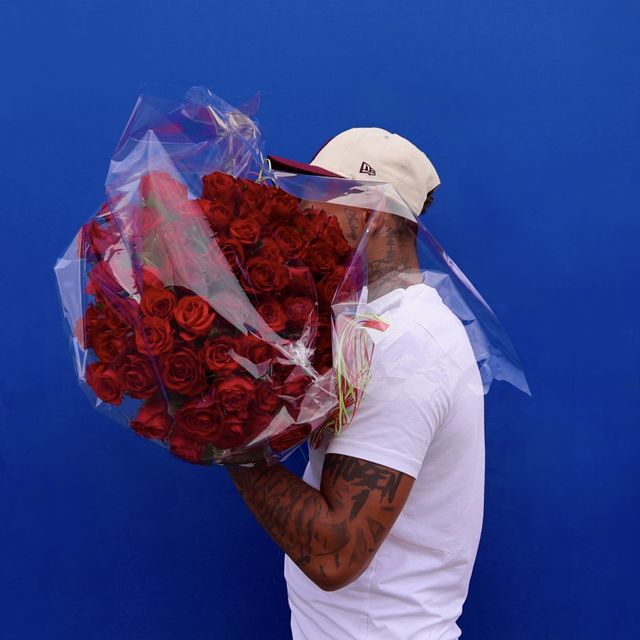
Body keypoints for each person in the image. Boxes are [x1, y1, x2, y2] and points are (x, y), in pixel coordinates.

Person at [227, 128, 484, 639]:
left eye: (318, 195)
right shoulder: (369, 323)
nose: (299, 210)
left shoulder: (406, 346)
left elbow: (334, 554)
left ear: (371, 214)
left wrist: (228, 437)